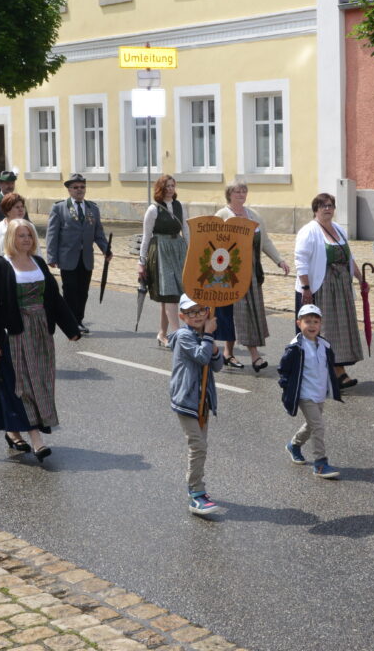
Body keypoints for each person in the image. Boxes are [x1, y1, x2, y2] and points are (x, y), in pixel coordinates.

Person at [0, 218, 80, 459]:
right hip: (14, 333)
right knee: (21, 384)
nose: (26, 239)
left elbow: (54, 298)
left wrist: (71, 328)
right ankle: (36, 438)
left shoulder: (38, 263)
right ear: (10, 239)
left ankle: (13, 431)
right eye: (21, 235)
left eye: (29, 235)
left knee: (40, 381)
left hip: (40, 332)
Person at [214, 180, 289, 372]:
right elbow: (214, 245)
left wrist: (279, 260)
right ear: (229, 194)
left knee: (243, 313)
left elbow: (266, 242)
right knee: (237, 313)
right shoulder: (222, 216)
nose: (241, 194)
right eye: (237, 191)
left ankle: (228, 354)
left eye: (244, 191)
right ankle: (255, 356)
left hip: (252, 273)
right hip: (230, 275)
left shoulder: (254, 216)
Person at [294, 193, 365, 387]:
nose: (327, 208)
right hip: (321, 289)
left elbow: (348, 257)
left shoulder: (339, 230)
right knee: (324, 331)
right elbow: (300, 262)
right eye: (323, 206)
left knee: (341, 331)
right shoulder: (308, 231)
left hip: (341, 290)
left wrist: (360, 278)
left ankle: (339, 371)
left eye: (330, 205)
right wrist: (306, 288)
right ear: (315, 210)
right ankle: (323, 375)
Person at [169, 293, 224, 516]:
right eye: (191, 312)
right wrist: (209, 337)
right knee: (197, 446)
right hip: (187, 399)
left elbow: (217, 365)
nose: (198, 315)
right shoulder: (183, 336)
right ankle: (196, 493)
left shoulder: (205, 335)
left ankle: (196, 486)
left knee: (202, 445)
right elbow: (201, 357)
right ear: (182, 316)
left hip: (204, 399)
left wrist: (215, 348)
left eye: (201, 310)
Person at [279, 304, 344, 478]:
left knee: (311, 424)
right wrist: (286, 386)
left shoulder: (324, 345)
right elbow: (284, 369)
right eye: (308, 321)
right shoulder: (295, 347)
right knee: (318, 426)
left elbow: (328, 368)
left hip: (319, 392)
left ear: (320, 324)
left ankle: (294, 445)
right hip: (304, 394)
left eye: (316, 321)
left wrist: (334, 387)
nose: (312, 325)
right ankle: (320, 464)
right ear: (298, 323)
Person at [46, 173, 111, 334]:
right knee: (70, 291)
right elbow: (52, 234)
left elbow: (99, 233)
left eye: (82, 187)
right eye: (75, 187)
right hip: (67, 257)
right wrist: (51, 257)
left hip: (86, 257)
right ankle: (71, 322)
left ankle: (79, 320)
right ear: (69, 190)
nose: (79, 190)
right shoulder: (59, 208)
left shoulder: (92, 208)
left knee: (83, 291)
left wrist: (106, 249)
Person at [139, 175, 189, 347]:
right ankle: (176, 335)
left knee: (173, 295)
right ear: (161, 188)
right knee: (169, 293)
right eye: (167, 186)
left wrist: (190, 252)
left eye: (172, 185)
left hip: (179, 249)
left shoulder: (179, 206)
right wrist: (141, 262)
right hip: (160, 250)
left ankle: (162, 333)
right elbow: (146, 237)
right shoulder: (153, 210)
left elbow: (186, 230)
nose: (170, 189)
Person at [0, 193, 38, 264]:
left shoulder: (30, 227)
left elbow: (37, 251)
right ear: (7, 211)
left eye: (22, 206)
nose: (21, 210)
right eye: (17, 207)